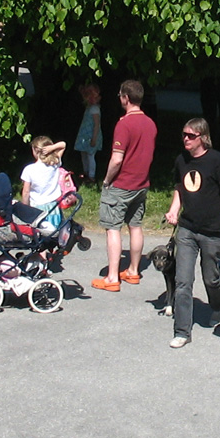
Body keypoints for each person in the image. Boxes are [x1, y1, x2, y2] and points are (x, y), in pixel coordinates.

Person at [162, 118, 220, 347]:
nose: (186, 138)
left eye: (191, 135)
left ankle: (219, 306)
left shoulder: (217, 161)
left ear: (202, 137)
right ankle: (182, 331)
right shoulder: (181, 161)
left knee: (212, 279)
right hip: (187, 229)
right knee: (183, 281)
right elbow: (179, 189)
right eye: (184, 134)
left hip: (212, 231)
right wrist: (174, 210)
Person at [94, 80, 156, 293]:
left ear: (126, 98)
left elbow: (117, 159)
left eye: (120, 95)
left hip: (122, 184)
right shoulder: (150, 123)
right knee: (135, 225)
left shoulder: (124, 124)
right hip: (141, 183)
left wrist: (106, 180)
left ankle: (112, 277)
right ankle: (133, 271)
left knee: (113, 228)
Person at [20, 135, 68, 211]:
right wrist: (52, 147)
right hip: (54, 206)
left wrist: (25, 209)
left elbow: (26, 192)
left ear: (35, 150)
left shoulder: (29, 169)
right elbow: (63, 145)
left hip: (37, 207)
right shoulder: (55, 163)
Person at [74, 83, 103, 182]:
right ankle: (85, 171)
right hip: (85, 136)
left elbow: (96, 125)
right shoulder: (89, 108)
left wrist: (94, 138)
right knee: (84, 154)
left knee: (90, 155)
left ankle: (91, 175)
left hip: (91, 136)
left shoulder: (95, 109)